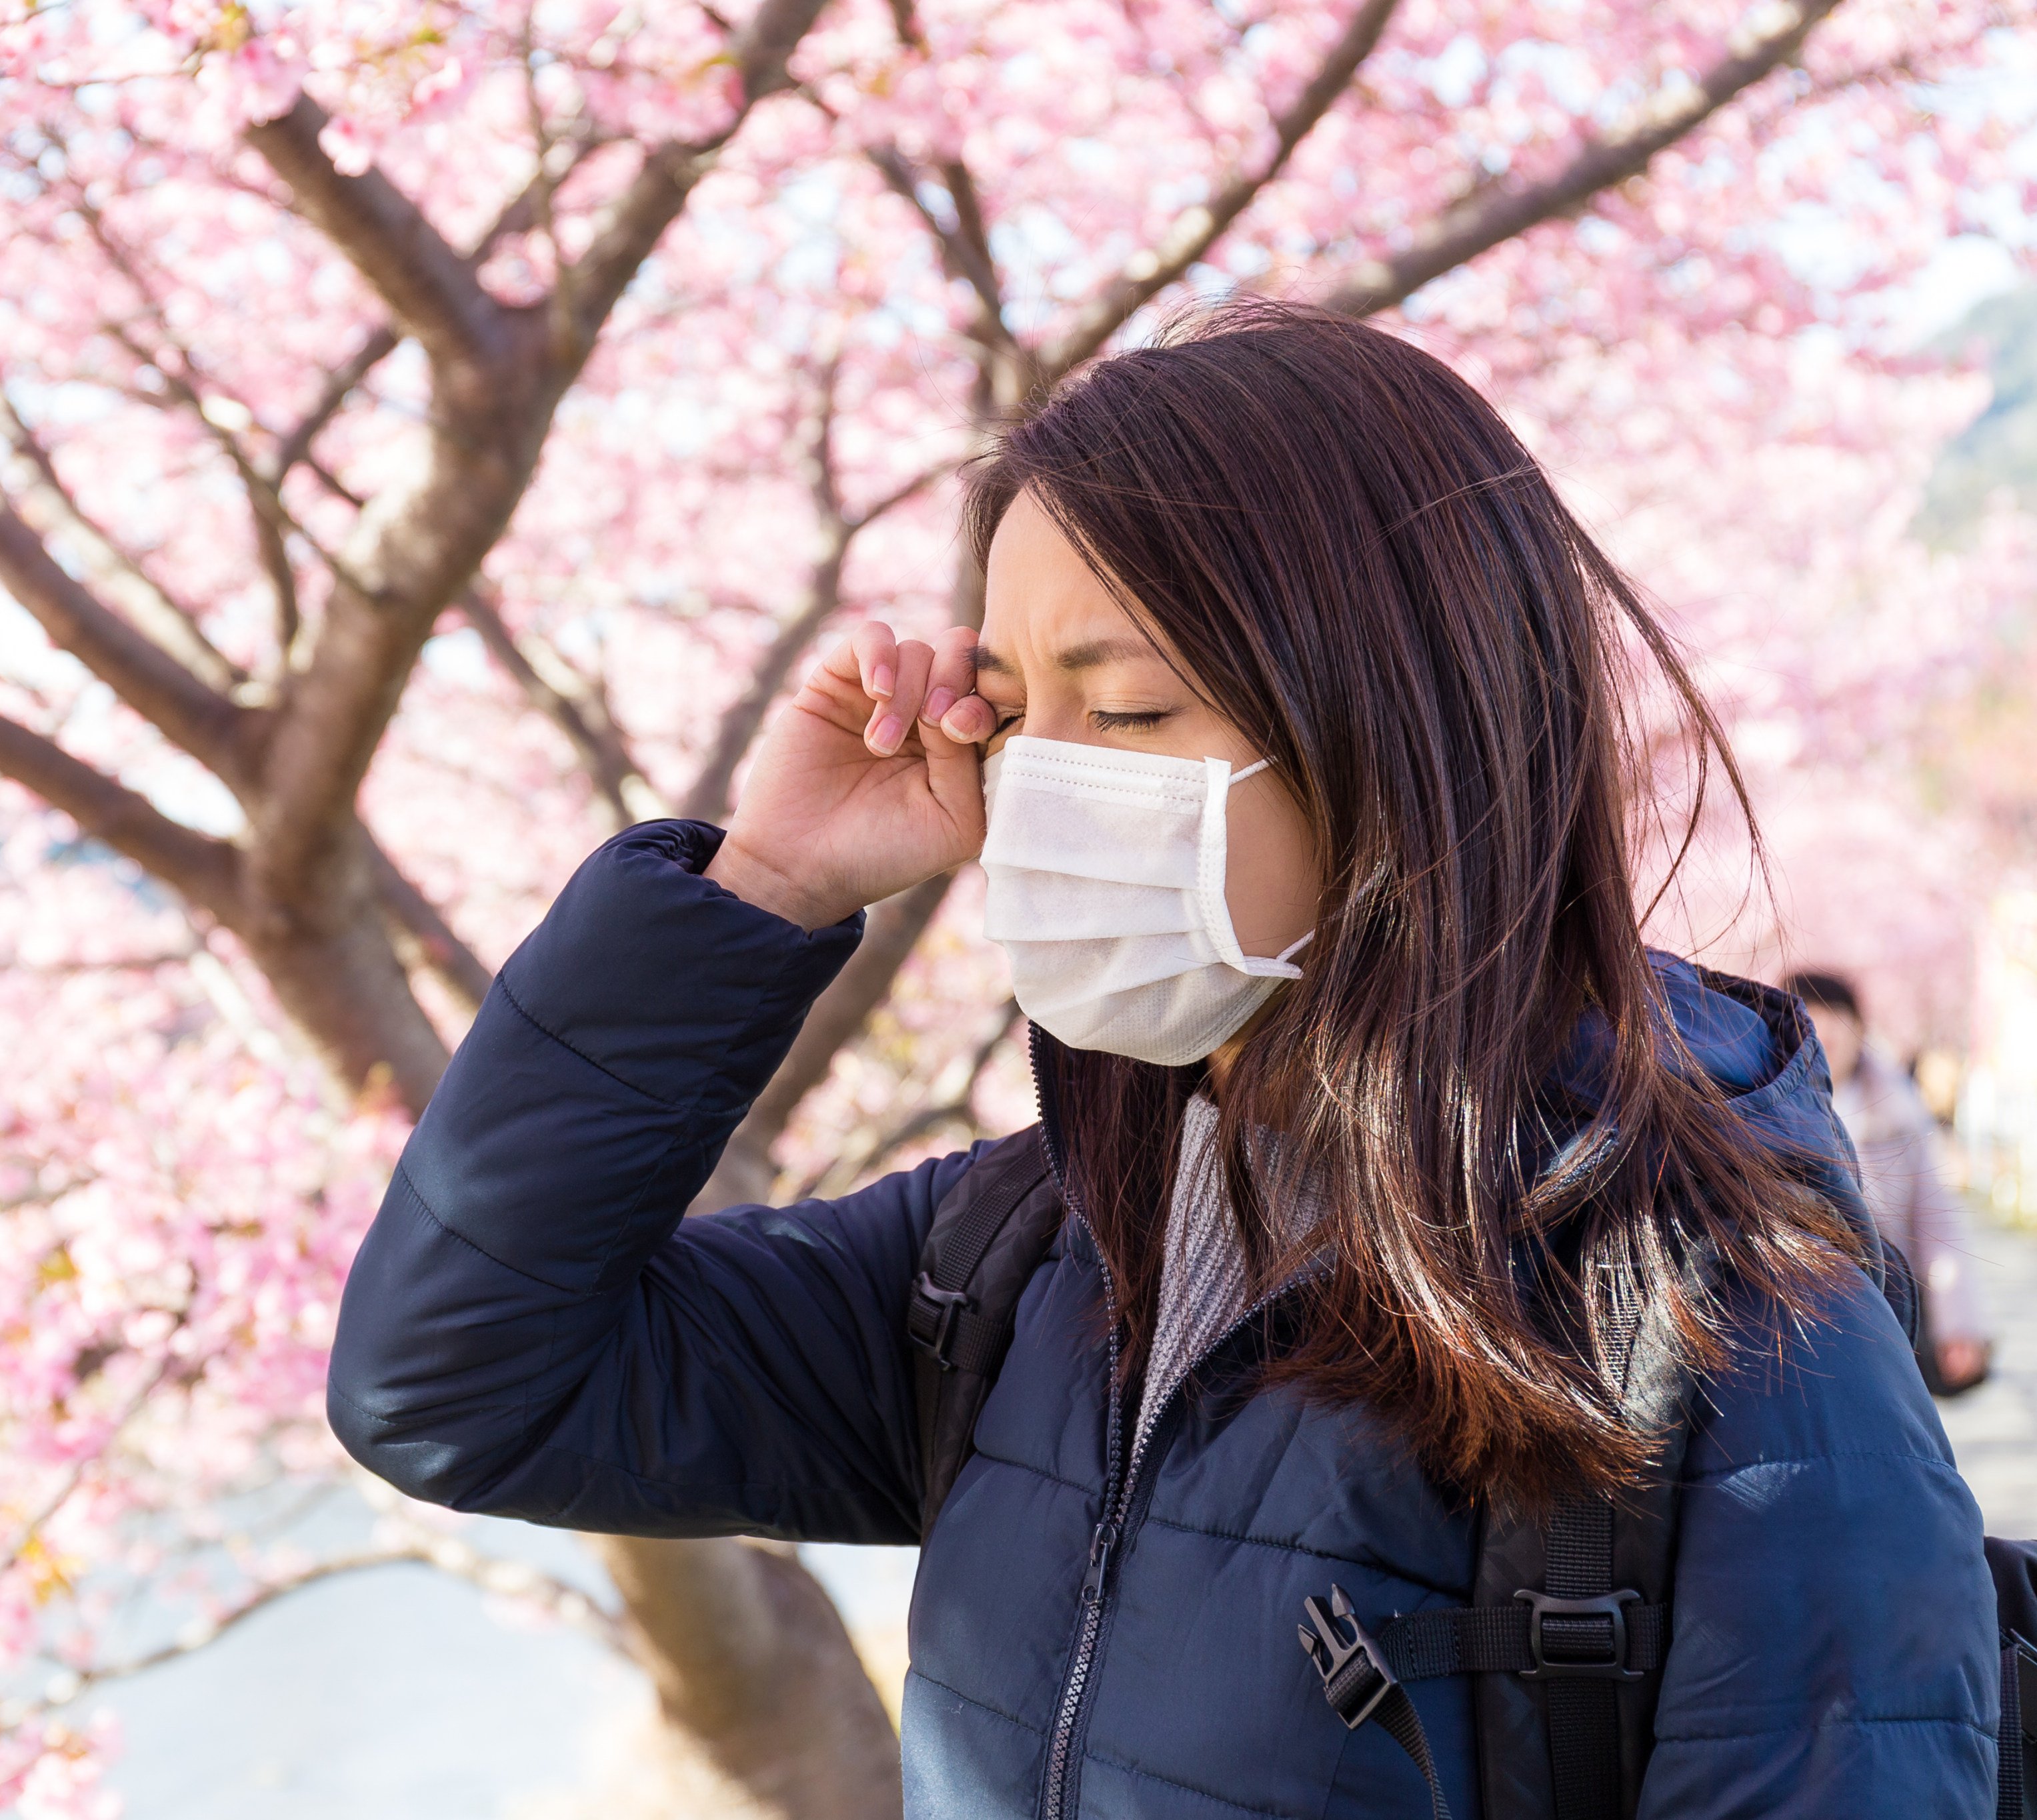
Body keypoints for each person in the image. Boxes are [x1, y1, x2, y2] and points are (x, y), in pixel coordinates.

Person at [328, 303, 1998, 1817]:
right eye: (1007, 709)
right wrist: (759, 889)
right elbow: (458, 1391)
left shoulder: (1716, 1318)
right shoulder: (1022, 1263)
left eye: (1125, 715)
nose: (1042, 784)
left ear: (1399, 735)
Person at [1784, 969, 1994, 1395]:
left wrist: (1957, 1323)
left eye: (1836, 1017)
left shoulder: (1900, 1114)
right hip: (1789, 1327)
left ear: (1860, 1028)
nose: (1824, 1031)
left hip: (1885, 1318)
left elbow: (1936, 1223)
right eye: (1809, 1016)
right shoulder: (1757, 1113)